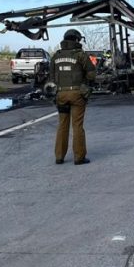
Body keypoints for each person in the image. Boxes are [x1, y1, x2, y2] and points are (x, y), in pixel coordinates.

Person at [51, 29, 96, 165]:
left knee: (62, 125)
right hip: (77, 95)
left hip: (60, 95)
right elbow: (91, 73)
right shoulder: (80, 55)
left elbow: (51, 77)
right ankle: (79, 157)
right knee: (77, 126)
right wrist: (86, 83)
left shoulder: (56, 56)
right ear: (76, 40)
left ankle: (59, 156)